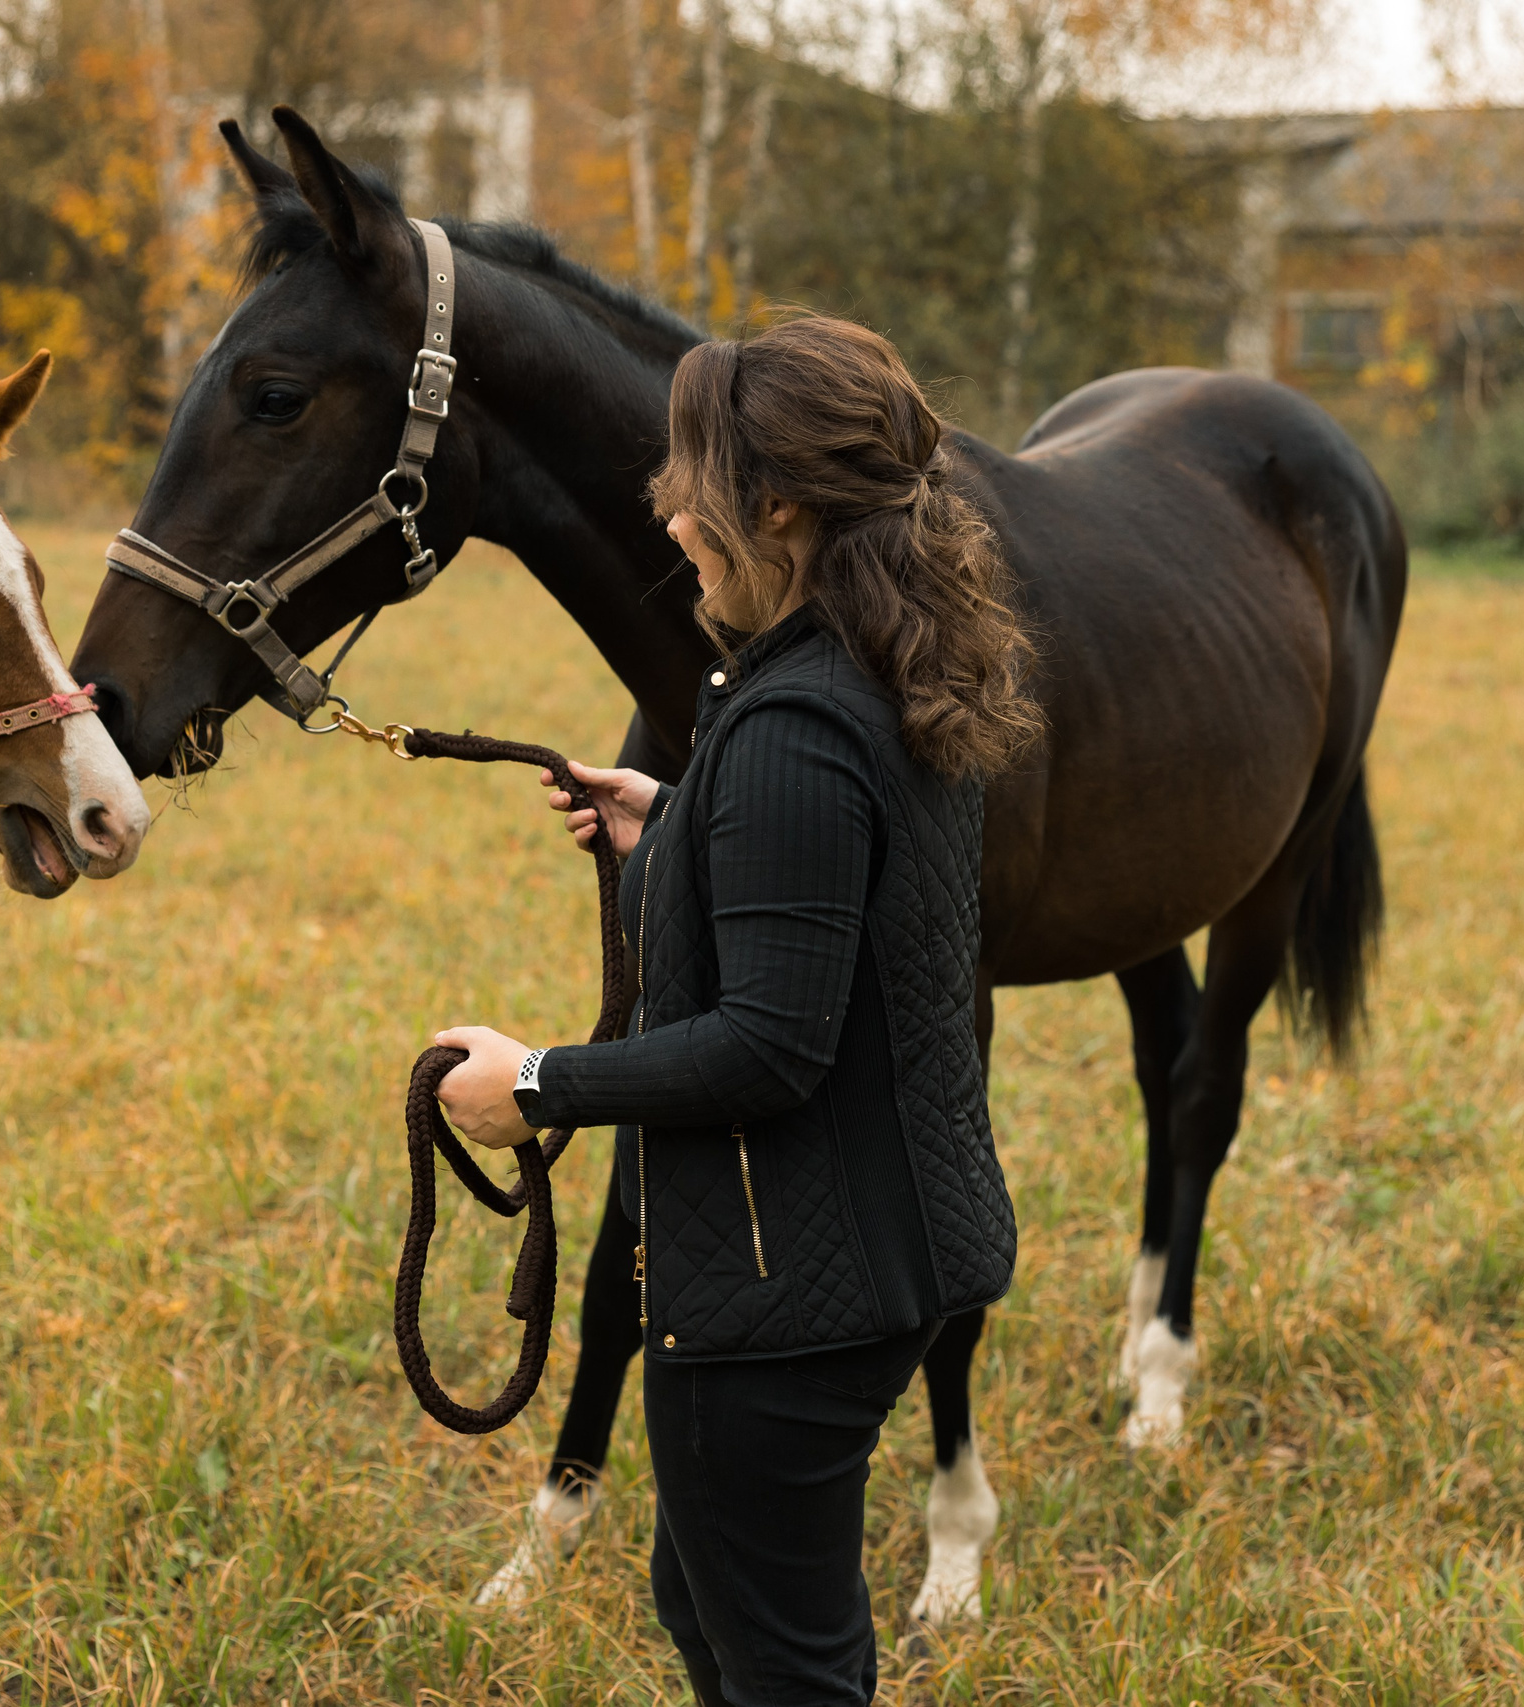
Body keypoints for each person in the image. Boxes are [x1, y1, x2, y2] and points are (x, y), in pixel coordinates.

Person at [433, 314, 1041, 1707]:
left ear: (776, 509)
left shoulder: (792, 732)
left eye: (689, 481)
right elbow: (853, 897)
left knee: (782, 1664)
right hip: (879, 1254)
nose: (669, 514)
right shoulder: (885, 671)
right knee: (713, 1600)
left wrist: (533, 1086)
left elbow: (772, 1045)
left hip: (785, 1296)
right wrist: (685, 826)